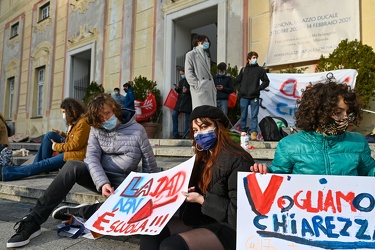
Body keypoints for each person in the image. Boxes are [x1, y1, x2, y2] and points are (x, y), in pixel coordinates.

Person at [6, 94, 159, 248]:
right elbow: (91, 157)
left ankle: (83, 211)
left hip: (123, 182)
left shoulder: (138, 131)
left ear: (115, 109)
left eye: (107, 113)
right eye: (100, 118)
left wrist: (152, 193)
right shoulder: (96, 129)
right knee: (72, 166)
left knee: (134, 213)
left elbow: (150, 166)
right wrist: (103, 182)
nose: (105, 120)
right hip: (98, 177)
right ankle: (33, 220)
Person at [140, 105, 254, 250]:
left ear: (219, 128)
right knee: (151, 232)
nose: (199, 134)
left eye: (204, 126)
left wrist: (201, 199)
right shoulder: (201, 158)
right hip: (203, 219)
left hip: (230, 228)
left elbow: (237, 213)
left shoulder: (239, 160)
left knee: (172, 246)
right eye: (195, 130)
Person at [251, 81, 375, 175]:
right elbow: (280, 175)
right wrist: (266, 172)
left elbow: (368, 173)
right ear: (318, 112)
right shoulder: (289, 145)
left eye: (348, 112)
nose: (345, 117)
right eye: (338, 112)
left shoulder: (358, 142)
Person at [1, 98, 90, 181]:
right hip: (71, 152)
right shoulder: (77, 122)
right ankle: (35, 167)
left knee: (44, 164)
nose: (63, 115)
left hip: (75, 156)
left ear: (71, 111)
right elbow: (73, 139)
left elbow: (75, 145)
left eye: (64, 112)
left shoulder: (83, 123)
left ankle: (6, 173)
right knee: (49, 135)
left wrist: (56, 146)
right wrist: (61, 134)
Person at [236, 51, 270, 141]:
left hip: (254, 96)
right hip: (243, 96)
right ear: (249, 59)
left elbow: (266, 81)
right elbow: (237, 81)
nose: (255, 59)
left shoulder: (260, 70)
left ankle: (253, 132)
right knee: (243, 115)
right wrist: (240, 89)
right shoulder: (243, 69)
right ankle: (243, 131)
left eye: (256, 58)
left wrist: (258, 88)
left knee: (254, 115)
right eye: (254, 58)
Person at [185, 34, 216, 109]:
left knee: (209, 114)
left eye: (208, 41)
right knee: (200, 113)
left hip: (209, 88)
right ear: (199, 42)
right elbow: (188, 72)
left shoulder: (207, 55)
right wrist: (197, 85)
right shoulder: (190, 54)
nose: (207, 43)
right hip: (200, 89)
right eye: (205, 41)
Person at [171, 67, 192, 139]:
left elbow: (193, 90)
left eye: (182, 74)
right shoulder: (181, 81)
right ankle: (175, 133)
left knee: (187, 118)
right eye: (181, 74)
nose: (181, 75)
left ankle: (186, 134)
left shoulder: (190, 81)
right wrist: (177, 89)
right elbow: (180, 91)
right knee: (174, 115)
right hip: (179, 102)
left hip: (188, 102)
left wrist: (187, 91)